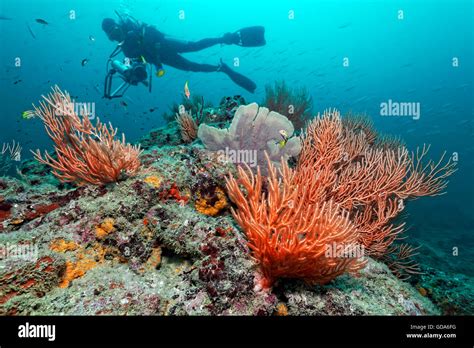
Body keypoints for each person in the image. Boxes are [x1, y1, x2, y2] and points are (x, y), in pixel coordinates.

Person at [101, 13, 265, 93]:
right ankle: (221, 68)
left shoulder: (133, 28)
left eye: (115, 31)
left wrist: (147, 41)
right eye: (112, 37)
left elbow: (153, 34)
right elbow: (140, 63)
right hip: (163, 58)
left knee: (194, 46)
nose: (116, 36)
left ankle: (225, 38)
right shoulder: (125, 49)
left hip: (164, 44)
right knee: (191, 67)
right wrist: (133, 75)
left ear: (118, 26)